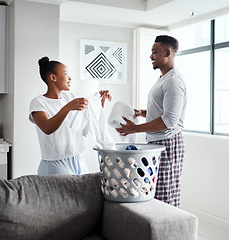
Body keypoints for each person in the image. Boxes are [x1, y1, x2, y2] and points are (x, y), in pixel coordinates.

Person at [116, 35, 187, 208]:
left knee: (165, 196)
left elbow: (170, 120)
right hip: (158, 142)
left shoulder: (173, 81)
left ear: (167, 53)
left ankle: (169, 232)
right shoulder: (164, 78)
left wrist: (135, 129)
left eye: (155, 52)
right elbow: (164, 111)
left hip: (168, 143)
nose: (151, 56)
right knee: (155, 191)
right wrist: (143, 113)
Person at [29, 56, 111, 175]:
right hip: (54, 164)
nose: (70, 78)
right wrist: (67, 108)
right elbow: (47, 128)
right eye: (66, 74)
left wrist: (99, 102)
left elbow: (86, 123)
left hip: (78, 160)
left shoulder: (69, 97)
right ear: (53, 77)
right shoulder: (38, 102)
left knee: (84, 193)